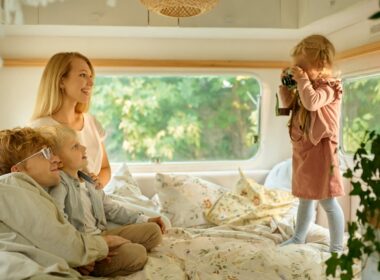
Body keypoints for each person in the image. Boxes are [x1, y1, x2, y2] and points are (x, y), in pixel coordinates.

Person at [0, 127, 128, 277]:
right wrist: (103, 244)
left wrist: (75, 260)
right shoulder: (11, 184)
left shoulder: (31, 194)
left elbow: (47, 244)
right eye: (45, 154)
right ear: (18, 170)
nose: (56, 159)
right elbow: (57, 239)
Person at [41, 124, 164, 277]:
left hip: (103, 234)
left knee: (153, 231)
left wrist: (144, 219)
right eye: (75, 146)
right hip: (86, 245)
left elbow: (111, 209)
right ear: (58, 160)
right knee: (138, 254)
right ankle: (101, 262)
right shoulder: (60, 186)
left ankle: (118, 249)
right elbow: (60, 224)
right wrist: (80, 256)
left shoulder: (89, 180)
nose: (84, 148)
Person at [278, 34, 345, 252]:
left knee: (327, 201)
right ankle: (298, 237)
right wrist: (286, 88)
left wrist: (302, 81)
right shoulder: (306, 86)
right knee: (305, 198)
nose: (299, 71)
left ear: (320, 64)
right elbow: (288, 107)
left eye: (302, 67)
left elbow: (312, 103)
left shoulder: (330, 87)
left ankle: (336, 246)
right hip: (305, 150)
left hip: (322, 151)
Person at [30, 52, 110, 188]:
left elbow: (105, 168)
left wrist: (97, 185)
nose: (91, 83)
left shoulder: (92, 122)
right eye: (83, 75)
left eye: (91, 77)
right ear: (61, 81)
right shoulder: (39, 129)